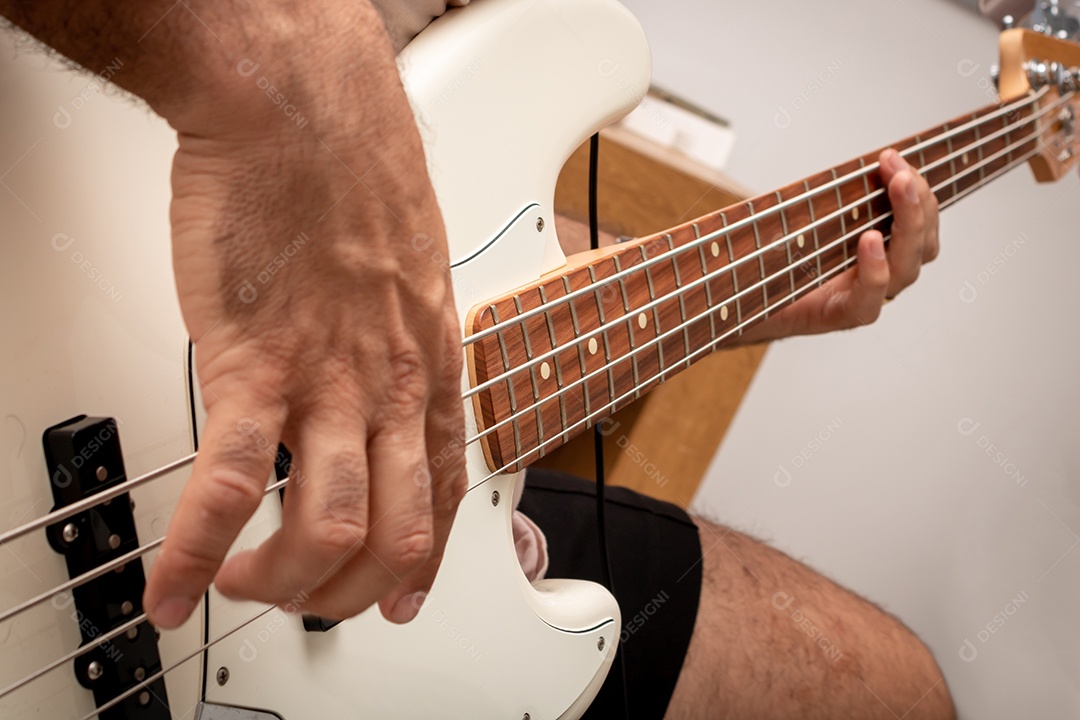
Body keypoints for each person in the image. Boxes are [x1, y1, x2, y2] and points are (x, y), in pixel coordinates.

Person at [0, 0, 954, 717]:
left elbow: (449, 250)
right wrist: (306, 72)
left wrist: (733, 294)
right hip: (91, 343)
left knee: (889, 692)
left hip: (404, 501)